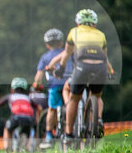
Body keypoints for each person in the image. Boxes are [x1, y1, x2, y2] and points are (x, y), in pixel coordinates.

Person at [47, 8, 114, 140]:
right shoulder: (101, 35)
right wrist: (111, 71)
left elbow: (66, 53)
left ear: (78, 22)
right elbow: (105, 57)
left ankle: (69, 133)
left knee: (74, 98)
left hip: (82, 67)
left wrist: (61, 68)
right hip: (100, 68)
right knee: (97, 95)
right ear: (94, 24)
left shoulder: (74, 32)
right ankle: (98, 120)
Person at [33, 28, 66, 147]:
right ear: (61, 42)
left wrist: (37, 85)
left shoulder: (45, 57)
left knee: (52, 109)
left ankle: (48, 137)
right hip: (69, 83)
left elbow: (39, 76)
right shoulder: (66, 53)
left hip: (54, 85)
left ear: (47, 44)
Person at [0, 78, 41, 151]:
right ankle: (29, 149)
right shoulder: (27, 98)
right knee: (29, 132)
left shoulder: (10, 96)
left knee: (7, 129)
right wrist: (38, 119)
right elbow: (39, 108)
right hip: (29, 119)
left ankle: (7, 149)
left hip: (16, 118)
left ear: (12, 89)